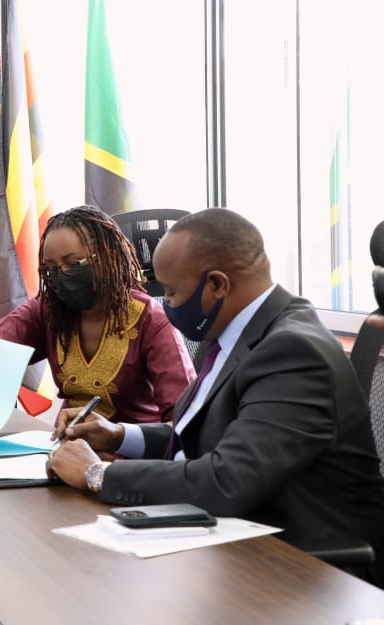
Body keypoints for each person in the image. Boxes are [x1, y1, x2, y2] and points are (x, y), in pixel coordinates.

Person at [48, 207, 384, 582]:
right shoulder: (240, 331)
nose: (166, 304)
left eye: (172, 291)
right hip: (234, 535)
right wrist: (120, 435)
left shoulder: (293, 350)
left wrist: (99, 474)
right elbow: (217, 432)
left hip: (304, 568)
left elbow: (228, 479)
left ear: (218, 285)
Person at [0, 205, 195, 424]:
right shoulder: (48, 309)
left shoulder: (152, 319)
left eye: (72, 264)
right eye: (51, 269)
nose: (61, 274)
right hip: (65, 451)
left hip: (130, 462)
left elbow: (185, 421)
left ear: (108, 257)